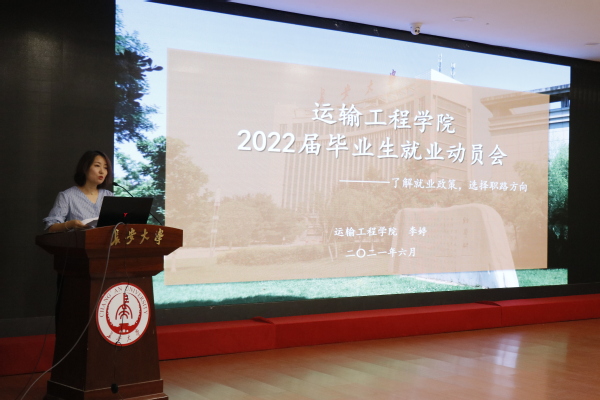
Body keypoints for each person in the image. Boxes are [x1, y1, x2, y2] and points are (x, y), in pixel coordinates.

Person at [44, 150, 114, 232]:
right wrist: (70, 224)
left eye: (105, 168)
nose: (102, 171)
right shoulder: (67, 196)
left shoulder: (109, 195)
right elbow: (51, 227)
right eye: (97, 165)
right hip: (78, 240)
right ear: (85, 168)